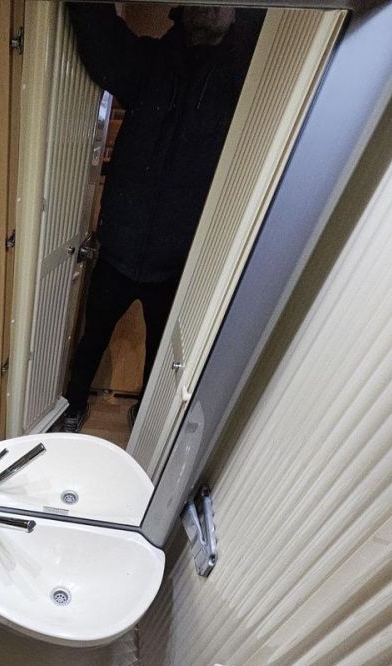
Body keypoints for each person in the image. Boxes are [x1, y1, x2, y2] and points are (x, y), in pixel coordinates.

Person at [60, 4, 262, 432]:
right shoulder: (149, 64)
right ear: (180, 11)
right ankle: (72, 405)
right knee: (91, 339)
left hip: (176, 263)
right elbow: (101, 38)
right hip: (117, 251)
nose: (213, 7)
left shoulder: (242, 75)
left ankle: (147, 418)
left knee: (162, 353)